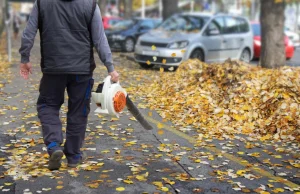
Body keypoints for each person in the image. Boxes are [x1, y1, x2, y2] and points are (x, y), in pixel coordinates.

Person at [19, 0, 119, 170]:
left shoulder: (42, 3)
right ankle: (73, 156)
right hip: (82, 70)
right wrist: (110, 67)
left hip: (53, 69)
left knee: (47, 105)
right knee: (78, 111)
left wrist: (25, 59)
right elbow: (99, 38)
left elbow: (28, 33)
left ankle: (53, 146)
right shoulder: (90, 5)